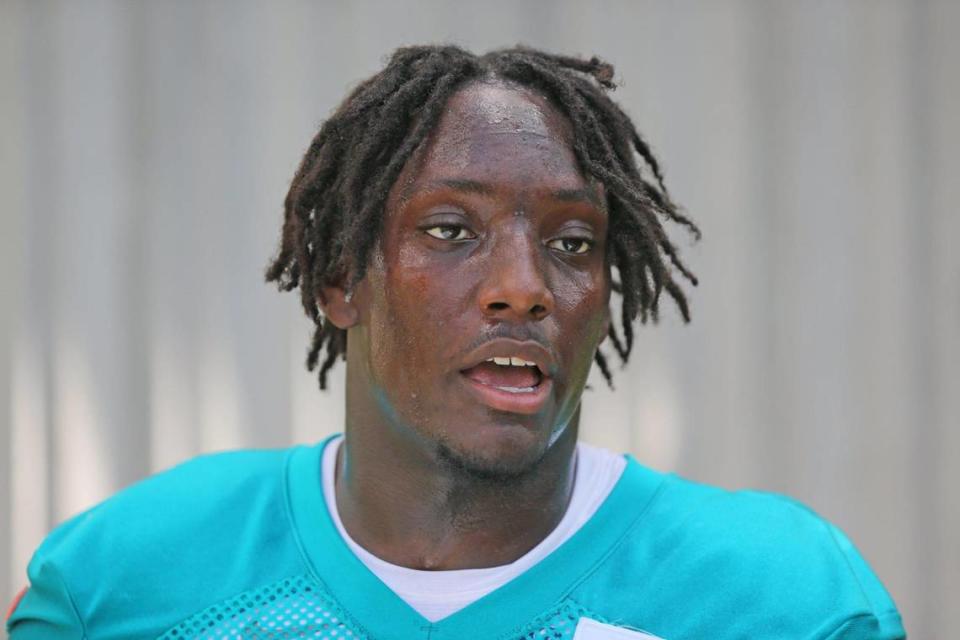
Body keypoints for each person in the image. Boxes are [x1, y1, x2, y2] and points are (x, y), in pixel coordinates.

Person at [7, 45, 904, 640]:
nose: (523, 285)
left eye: (571, 243)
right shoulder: (124, 582)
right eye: (449, 229)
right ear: (340, 281)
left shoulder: (785, 602)